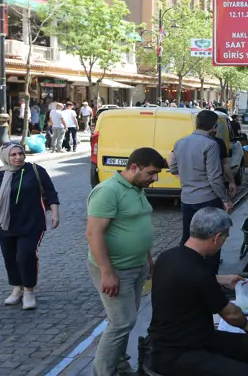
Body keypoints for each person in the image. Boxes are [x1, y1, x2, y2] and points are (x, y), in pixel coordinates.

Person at [148, 208, 248, 375]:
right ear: (216, 238)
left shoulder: (167, 257)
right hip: (179, 353)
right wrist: (246, 324)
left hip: (179, 339)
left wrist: (222, 279)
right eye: (225, 238)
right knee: (247, 372)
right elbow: (231, 315)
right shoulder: (200, 272)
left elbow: (188, 279)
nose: (224, 242)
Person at [86, 147, 164, 376]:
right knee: (121, 323)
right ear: (133, 168)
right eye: (151, 173)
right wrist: (107, 272)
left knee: (125, 321)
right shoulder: (108, 191)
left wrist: (148, 259)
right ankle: (103, 372)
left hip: (136, 265)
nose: (155, 178)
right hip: (116, 268)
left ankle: (119, 364)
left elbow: (137, 226)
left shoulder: (136, 187)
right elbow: (93, 234)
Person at [0, 142, 60, 310]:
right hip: (5, 224)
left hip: (32, 222)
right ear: (5, 156)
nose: (18, 157)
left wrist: (55, 213)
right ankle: (16, 288)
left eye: (20, 153)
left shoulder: (35, 170)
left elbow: (50, 193)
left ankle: (28, 290)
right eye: (13, 155)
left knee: (25, 255)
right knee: (10, 258)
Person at [169, 110, 233, 275]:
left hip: (187, 198)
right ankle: (210, 279)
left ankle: (186, 273)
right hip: (207, 199)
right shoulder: (210, 145)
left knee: (188, 238)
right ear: (214, 127)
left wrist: (188, 180)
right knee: (212, 240)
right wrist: (225, 199)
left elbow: (173, 167)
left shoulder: (180, 142)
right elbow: (214, 177)